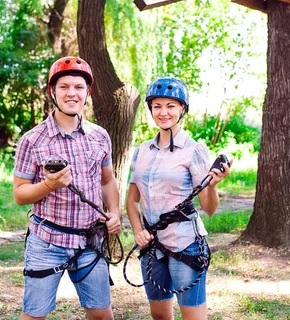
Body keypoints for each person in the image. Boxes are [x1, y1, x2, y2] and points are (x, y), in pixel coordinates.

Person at [13, 56, 122, 320]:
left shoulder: (100, 136)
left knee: (102, 316)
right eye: (64, 86)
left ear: (88, 93)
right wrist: (49, 185)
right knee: (34, 316)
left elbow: (107, 180)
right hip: (47, 242)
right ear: (52, 91)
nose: (71, 93)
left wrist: (115, 212)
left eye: (78, 87)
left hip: (90, 243)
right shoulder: (32, 140)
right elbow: (20, 194)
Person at [126, 77, 231, 320]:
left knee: (193, 317)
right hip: (151, 246)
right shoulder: (141, 151)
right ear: (151, 109)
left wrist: (213, 185)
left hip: (186, 245)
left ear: (182, 109)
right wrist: (137, 230)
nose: (163, 112)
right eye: (157, 106)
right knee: (160, 315)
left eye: (171, 106)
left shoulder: (194, 150)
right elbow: (132, 201)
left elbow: (209, 208)